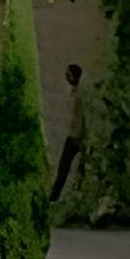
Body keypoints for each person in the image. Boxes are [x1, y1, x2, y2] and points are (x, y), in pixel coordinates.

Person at [53, 63, 85, 194]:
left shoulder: (79, 95)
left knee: (63, 170)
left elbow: (81, 117)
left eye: (69, 74)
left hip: (75, 137)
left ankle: (55, 195)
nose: (66, 76)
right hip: (73, 135)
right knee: (67, 170)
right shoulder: (75, 93)